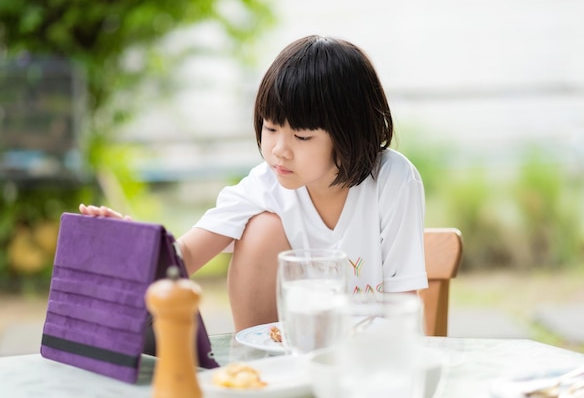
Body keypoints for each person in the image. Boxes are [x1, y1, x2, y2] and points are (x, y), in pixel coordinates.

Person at [80, 34, 427, 331]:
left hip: (368, 365)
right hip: (290, 361)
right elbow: (184, 255)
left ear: (350, 132)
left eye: (302, 136)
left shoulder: (393, 181)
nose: (279, 150)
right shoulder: (265, 184)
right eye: (271, 128)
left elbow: (402, 310)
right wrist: (136, 245)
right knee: (261, 227)